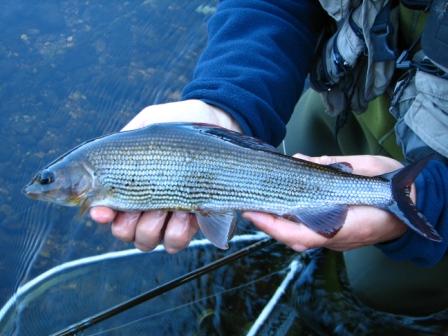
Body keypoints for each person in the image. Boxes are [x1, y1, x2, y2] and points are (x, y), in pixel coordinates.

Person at [90, 0, 447, 315]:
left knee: (380, 283)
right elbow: (275, 5)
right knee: (298, 135)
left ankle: (399, 219)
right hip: (370, 94)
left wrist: (432, 199)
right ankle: (347, 210)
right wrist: (227, 104)